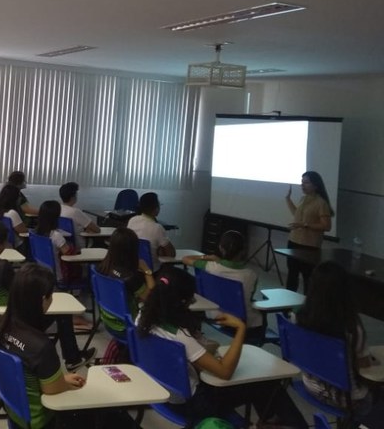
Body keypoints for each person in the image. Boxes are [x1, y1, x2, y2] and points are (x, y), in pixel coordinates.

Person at [136, 266, 307, 428]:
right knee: (266, 384)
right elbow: (225, 372)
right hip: (193, 405)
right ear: (180, 302)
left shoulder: (142, 318)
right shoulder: (180, 336)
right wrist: (240, 328)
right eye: (189, 299)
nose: (192, 302)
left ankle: (269, 422)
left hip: (163, 393)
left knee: (260, 385)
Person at [0, 263, 130, 429]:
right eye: (51, 295)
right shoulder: (41, 347)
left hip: (17, 415)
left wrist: (61, 380)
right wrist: (64, 384)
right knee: (115, 415)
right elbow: (53, 391)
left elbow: (31, 378)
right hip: (44, 422)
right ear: (43, 300)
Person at [0, 221, 94, 372]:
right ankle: (73, 359)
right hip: (10, 325)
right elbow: (23, 293)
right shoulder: (1, 267)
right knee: (62, 313)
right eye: (4, 244)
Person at [295, 261, 376, 419]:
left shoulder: (300, 318)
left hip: (310, 386)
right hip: (347, 400)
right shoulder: (351, 328)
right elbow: (364, 368)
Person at [182, 230, 264, 344]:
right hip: (242, 323)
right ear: (243, 251)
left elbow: (185, 259)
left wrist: (207, 257)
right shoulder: (251, 275)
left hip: (216, 316)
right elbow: (249, 298)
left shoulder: (210, 267)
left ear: (221, 248)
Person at [96, 227, 154, 331]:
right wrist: (146, 270)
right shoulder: (130, 277)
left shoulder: (102, 267)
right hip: (125, 326)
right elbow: (150, 295)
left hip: (107, 319)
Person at [284, 171, 333, 293]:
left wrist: (305, 225)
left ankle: (308, 303)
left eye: (306, 182)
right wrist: (288, 200)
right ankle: (288, 301)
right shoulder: (303, 198)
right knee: (292, 274)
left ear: (316, 185)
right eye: (302, 182)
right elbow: (297, 215)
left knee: (308, 277)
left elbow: (326, 226)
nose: (302, 185)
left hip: (309, 245)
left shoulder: (321, 203)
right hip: (294, 241)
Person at [34, 200, 79, 284]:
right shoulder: (56, 236)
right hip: (58, 275)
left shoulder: (35, 233)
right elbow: (69, 253)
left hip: (42, 272)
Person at [127, 192, 175, 270]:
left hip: (134, 268)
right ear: (156, 209)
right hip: (152, 271)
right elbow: (171, 253)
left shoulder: (132, 220)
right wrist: (159, 250)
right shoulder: (157, 228)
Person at [58, 182, 99, 249]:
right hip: (80, 247)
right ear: (73, 197)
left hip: (67, 245)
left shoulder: (58, 208)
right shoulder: (75, 212)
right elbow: (97, 229)